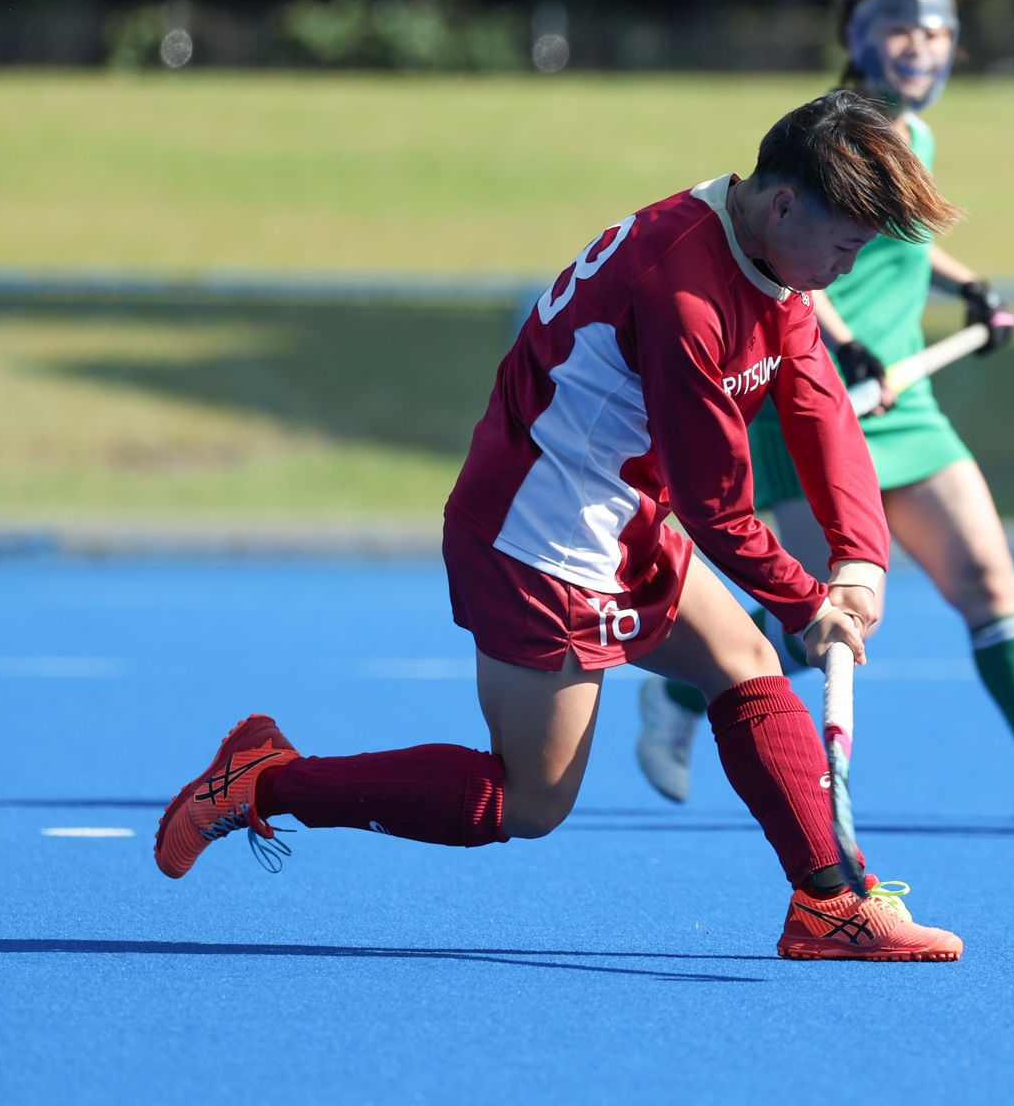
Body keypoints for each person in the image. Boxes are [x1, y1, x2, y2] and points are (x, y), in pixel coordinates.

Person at [152, 92, 972, 961]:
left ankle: (830, 901)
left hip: (621, 513)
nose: (847, 268)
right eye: (845, 246)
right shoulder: (684, 291)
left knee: (745, 663)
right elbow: (716, 505)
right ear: (783, 206)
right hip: (539, 539)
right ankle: (267, 781)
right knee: (528, 802)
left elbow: (816, 400)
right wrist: (808, 604)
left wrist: (861, 559)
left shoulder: (763, 252)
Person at [635, 0, 1014, 824]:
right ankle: (679, 692)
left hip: (906, 404)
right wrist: (846, 346)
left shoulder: (919, 139)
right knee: (822, 607)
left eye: (935, 33)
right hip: (809, 397)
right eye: (899, 30)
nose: (919, 47)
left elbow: (901, 238)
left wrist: (969, 287)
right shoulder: (828, 140)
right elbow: (787, 262)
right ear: (857, 39)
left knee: (988, 577)